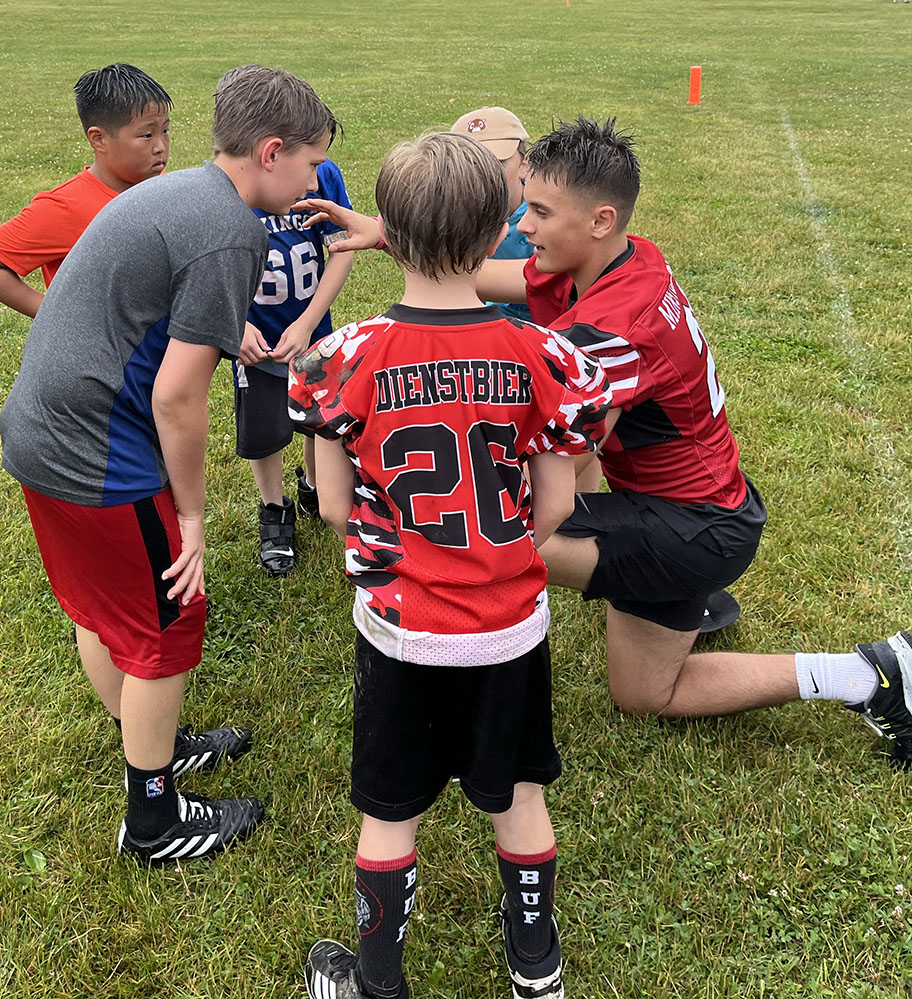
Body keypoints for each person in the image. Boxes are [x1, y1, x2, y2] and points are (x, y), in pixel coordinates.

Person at [290, 116, 912, 770]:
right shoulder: (620, 256)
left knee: (472, 525)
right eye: (524, 202)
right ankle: (867, 673)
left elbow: (569, 454)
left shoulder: (613, 329)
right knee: (647, 693)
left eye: (539, 210)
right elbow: (502, 282)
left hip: (694, 526)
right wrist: (398, 236)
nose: (522, 225)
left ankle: (640, 588)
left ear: (600, 218)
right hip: (696, 510)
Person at [288, 132, 612, 999]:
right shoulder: (541, 354)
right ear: (500, 228)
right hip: (508, 622)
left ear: (386, 227)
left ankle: (378, 979)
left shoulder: (341, 358)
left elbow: (327, 503)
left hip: (401, 624)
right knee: (519, 790)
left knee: (390, 808)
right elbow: (553, 506)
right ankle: (535, 964)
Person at [0, 64, 339, 864]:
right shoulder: (231, 231)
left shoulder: (184, 191)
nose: (316, 178)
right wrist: (190, 516)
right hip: (96, 456)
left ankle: (150, 739)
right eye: (311, 162)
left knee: (103, 610)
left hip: (39, 434)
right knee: (167, 622)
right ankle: (152, 821)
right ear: (270, 151)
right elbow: (180, 398)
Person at [0, 63, 173, 318]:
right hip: (108, 356)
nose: (161, 146)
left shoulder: (168, 189)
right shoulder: (66, 206)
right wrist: (60, 317)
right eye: (147, 135)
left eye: (165, 130)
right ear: (98, 139)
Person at [231, 154, 354, 576]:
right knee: (264, 430)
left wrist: (307, 322)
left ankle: (314, 485)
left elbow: (342, 249)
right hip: (257, 339)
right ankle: (273, 508)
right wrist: (237, 323)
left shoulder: (322, 173)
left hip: (312, 332)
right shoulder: (230, 184)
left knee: (317, 419)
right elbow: (213, 268)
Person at [450, 105, 532, 321]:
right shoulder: (452, 213)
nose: (481, 177)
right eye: (468, 166)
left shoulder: (545, 214)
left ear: (525, 163)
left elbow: (554, 281)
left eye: (496, 163)